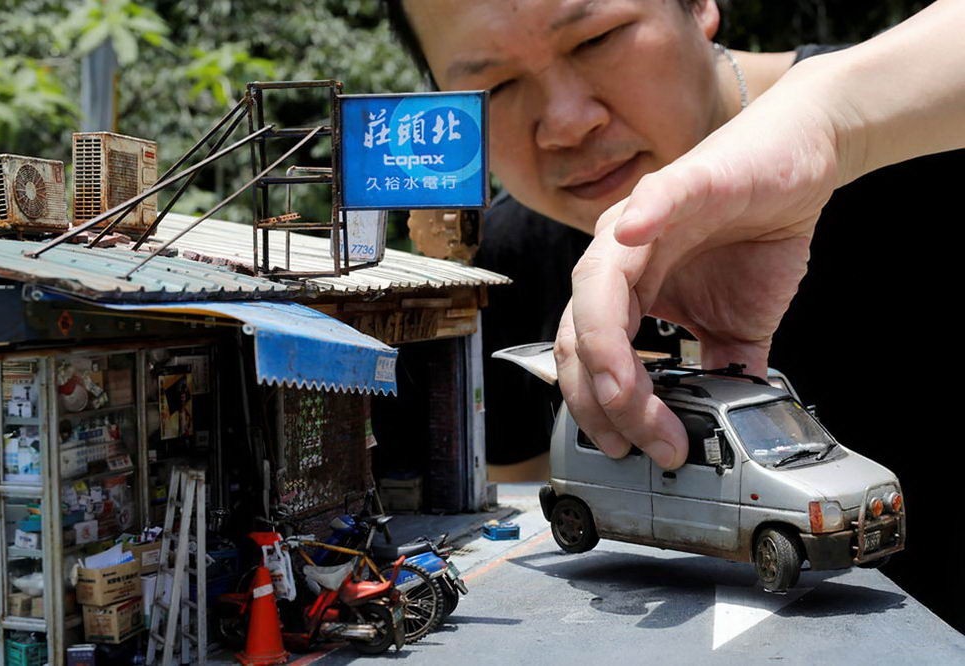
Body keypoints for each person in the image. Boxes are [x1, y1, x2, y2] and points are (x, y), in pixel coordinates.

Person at [385, 0, 965, 630]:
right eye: (495, 84)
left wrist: (834, 118)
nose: (565, 123)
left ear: (700, 6)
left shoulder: (924, 129)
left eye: (597, 37)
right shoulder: (501, 265)